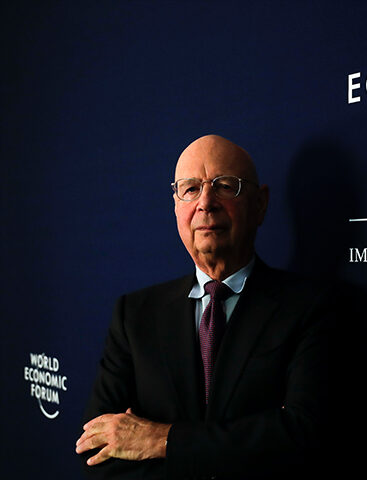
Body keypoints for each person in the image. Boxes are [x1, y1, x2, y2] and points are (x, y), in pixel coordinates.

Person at [76, 135, 335, 479]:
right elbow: (96, 450)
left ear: (260, 204)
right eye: (190, 188)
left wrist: (161, 440)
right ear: (175, 206)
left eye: (226, 186)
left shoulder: (311, 307)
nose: (206, 203)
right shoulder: (133, 315)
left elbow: (304, 438)